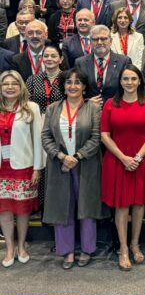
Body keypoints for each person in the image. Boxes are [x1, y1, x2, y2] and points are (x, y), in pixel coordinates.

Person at [41, 68, 105, 269]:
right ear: (64, 86)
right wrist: (61, 156)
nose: (73, 86)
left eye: (78, 82)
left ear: (84, 87)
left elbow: (96, 137)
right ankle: (67, 251)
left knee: (86, 206)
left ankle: (87, 249)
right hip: (60, 165)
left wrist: (77, 156)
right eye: (69, 82)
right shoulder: (52, 108)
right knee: (63, 207)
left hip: (86, 164)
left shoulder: (94, 109)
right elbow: (46, 137)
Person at [99, 65, 145, 271]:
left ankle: (135, 244)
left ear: (140, 81)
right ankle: (123, 248)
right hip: (117, 159)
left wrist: (138, 157)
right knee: (122, 205)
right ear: (120, 81)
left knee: (139, 204)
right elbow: (104, 135)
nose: (129, 83)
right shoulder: (110, 104)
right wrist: (123, 158)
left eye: (133, 79)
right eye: (125, 79)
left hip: (141, 158)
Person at [0, 70, 43, 268]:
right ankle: (9, 248)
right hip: (2, 168)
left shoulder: (31, 108)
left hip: (23, 166)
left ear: (21, 87)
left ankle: (22, 246)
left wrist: (37, 168)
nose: (10, 87)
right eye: (5, 84)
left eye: (14, 84)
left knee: (23, 210)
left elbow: (38, 140)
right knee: (4, 210)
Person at [75, 24, 133, 104]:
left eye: (103, 39)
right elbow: (76, 89)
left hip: (116, 108)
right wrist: (86, 102)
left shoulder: (124, 61)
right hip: (89, 111)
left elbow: (130, 88)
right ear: (90, 42)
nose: (99, 42)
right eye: (95, 39)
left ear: (110, 41)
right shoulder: (80, 63)